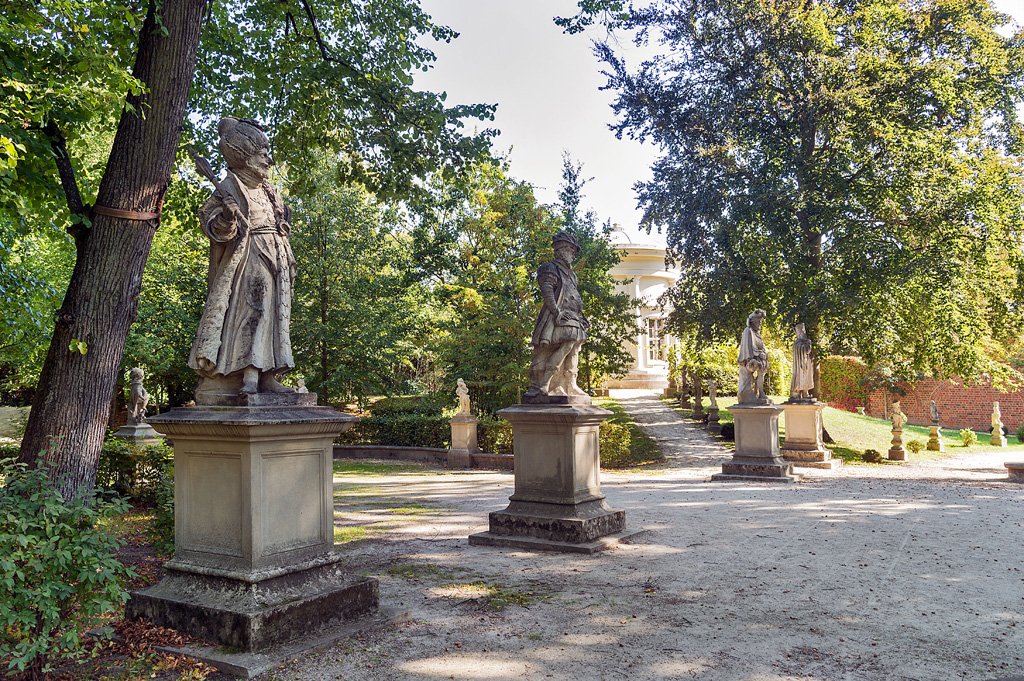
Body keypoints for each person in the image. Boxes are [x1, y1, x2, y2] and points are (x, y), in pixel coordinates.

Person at [188, 117, 297, 397]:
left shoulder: (270, 191)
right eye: (263, 155)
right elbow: (215, 229)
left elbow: (282, 218)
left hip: (278, 254)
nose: (269, 161)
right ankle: (248, 373)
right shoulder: (229, 188)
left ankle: (269, 374)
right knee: (254, 309)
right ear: (246, 158)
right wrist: (227, 215)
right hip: (250, 253)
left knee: (276, 313)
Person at [523, 232, 591, 401]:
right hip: (556, 318)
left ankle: (570, 383)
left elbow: (571, 294)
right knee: (567, 343)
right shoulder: (549, 268)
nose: (573, 255)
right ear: (560, 250)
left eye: (574, 251)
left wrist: (580, 317)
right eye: (570, 250)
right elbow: (547, 292)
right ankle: (545, 383)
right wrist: (556, 312)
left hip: (573, 318)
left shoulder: (572, 274)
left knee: (574, 347)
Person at [738, 309, 770, 404]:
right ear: (754, 322)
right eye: (759, 322)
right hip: (749, 361)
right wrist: (754, 357)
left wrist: (763, 355)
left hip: (758, 360)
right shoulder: (748, 331)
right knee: (748, 379)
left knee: (761, 373)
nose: (760, 324)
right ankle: (747, 396)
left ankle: (760, 393)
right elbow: (748, 348)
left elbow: (761, 348)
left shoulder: (757, 334)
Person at [789, 323, 814, 402]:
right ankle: (798, 392)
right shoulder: (798, 344)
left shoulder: (798, 344)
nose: (804, 335)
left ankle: (805, 392)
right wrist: (809, 344)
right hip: (801, 367)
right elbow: (806, 351)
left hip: (805, 365)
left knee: (806, 378)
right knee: (801, 378)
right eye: (803, 333)